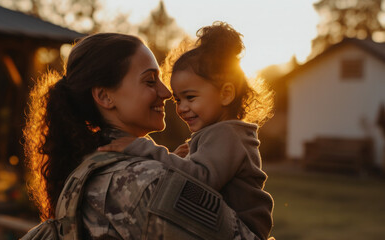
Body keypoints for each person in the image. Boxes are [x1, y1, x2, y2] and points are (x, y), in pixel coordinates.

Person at [23, 32, 262, 239]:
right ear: (106, 97)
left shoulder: (87, 167)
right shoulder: (150, 181)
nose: (166, 92)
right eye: (150, 81)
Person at [98, 22, 275, 240]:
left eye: (190, 98)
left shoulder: (228, 135)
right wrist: (184, 159)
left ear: (226, 94)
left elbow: (201, 179)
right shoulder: (218, 133)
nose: (181, 108)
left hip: (246, 229)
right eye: (177, 99)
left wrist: (145, 148)